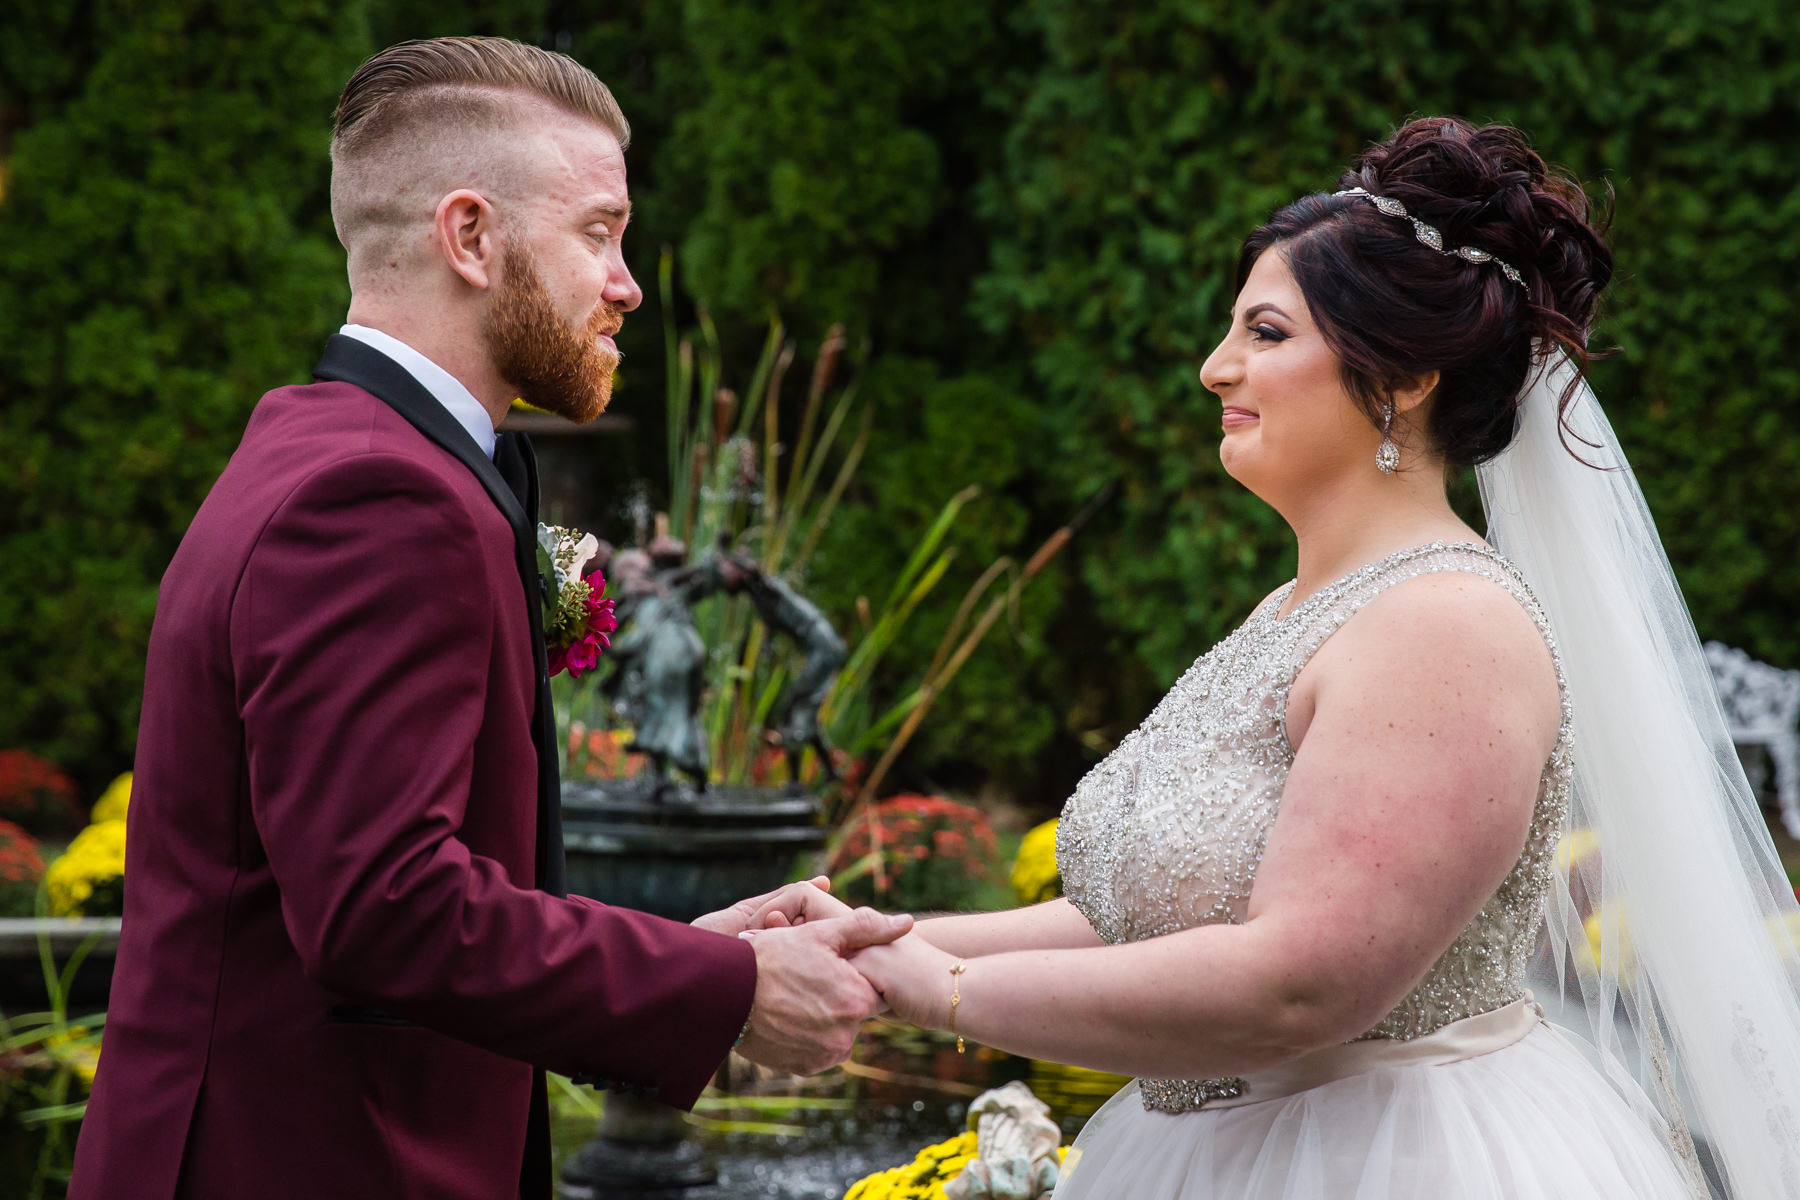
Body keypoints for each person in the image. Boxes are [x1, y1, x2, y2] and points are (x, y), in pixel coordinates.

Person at [759, 117, 1800, 1197]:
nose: (1216, 369)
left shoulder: (1443, 628)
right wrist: (884, 943)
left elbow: (1300, 985)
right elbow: (1136, 913)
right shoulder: (1301, 608)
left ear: (1399, 378)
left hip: (1395, 1161)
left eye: (1264, 333)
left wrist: (946, 992)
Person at [69, 37, 911, 1200]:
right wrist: (732, 994)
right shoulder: (376, 499)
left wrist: (693, 953)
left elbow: (397, 880)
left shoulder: (330, 447)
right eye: (599, 234)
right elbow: (384, 910)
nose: (628, 285)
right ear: (470, 236)